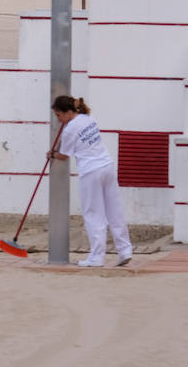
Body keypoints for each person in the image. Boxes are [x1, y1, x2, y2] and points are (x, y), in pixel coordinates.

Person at [48, 95, 132, 267]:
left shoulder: (69, 129)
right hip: (107, 166)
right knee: (114, 211)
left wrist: (52, 154)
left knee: (94, 214)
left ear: (65, 112)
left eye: (58, 115)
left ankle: (97, 257)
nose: (58, 119)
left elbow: (64, 156)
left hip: (90, 171)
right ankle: (125, 250)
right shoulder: (89, 118)